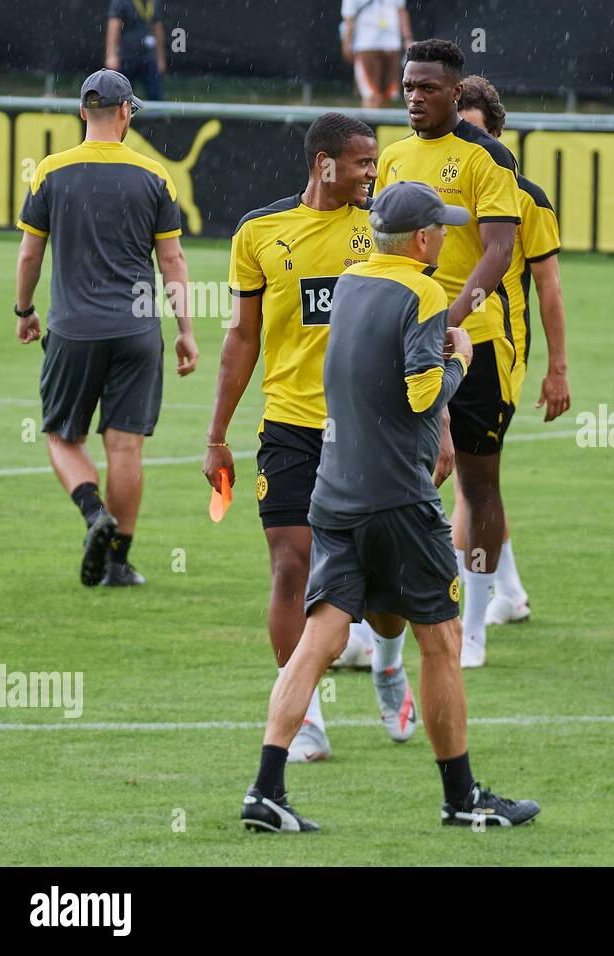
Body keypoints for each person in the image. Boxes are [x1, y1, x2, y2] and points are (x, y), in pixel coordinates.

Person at [240, 181, 540, 832]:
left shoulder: (349, 282)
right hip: (399, 498)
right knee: (443, 640)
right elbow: (421, 397)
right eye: (441, 229)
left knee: (317, 640)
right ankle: (461, 799)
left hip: (333, 492)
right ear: (425, 239)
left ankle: (266, 789)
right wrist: (457, 359)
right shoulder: (427, 292)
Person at [203, 113, 415, 763]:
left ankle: (385, 664)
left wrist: (430, 429)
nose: (372, 173)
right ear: (324, 164)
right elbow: (242, 338)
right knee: (291, 564)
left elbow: (415, 323)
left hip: (369, 429)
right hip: (290, 428)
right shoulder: (260, 232)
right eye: (361, 163)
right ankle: (308, 716)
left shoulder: (384, 229)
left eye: (376, 162)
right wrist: (216, 435)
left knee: (383, 581)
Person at [15, 69, 196, 588]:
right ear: (124, 113)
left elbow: (30, 253)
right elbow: (173, 259)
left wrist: (24, 311)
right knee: (126, 447)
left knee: (60, 434)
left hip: (73, 329)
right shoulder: (155, 175)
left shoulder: (51, 171)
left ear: (81, 113)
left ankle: (95, 514)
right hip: (138, 331)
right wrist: (185, 330)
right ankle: (117, 562)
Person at [375, 40, 521, 669]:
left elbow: (498, 251)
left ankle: (477, 622)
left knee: (478, 484)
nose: (414, 97)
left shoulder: (489, 158)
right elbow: (376, 242)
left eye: (428, 88)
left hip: (475, 345)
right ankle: (375, 624)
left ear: (455, 92)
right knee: (394, 476)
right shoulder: (392, 156)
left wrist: (450, 317)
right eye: (408, 86)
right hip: (406, 340)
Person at [456, 75, 571, 628]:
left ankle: (462, 616)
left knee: (471, 483)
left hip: (496, 350)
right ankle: (509, 593)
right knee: (477, 483)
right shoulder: (432, 180)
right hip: (440, 342)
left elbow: (549, 287)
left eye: (476, 132)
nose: (467, 144)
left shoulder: (526, 199)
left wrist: (558, 368)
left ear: (499, 135)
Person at [341, 0, 413, 109]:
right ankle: (369, 125)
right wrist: (347, 43)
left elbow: (401, 11)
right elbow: (349, 18)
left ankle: (380, 124)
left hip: (392, 45)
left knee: (388, 93)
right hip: (366, 45)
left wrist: (407, 38)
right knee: (371, 95)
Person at [105, 1, 166, 101]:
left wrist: (160, 58)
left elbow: (158, 28)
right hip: (126, 57)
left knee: (155, 96)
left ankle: (156, 117)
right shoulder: (121, 2)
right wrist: (111, 55)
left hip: (149, 57)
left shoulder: (154, 2)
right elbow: (114, 27)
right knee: (121, 96)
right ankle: (121, 115)